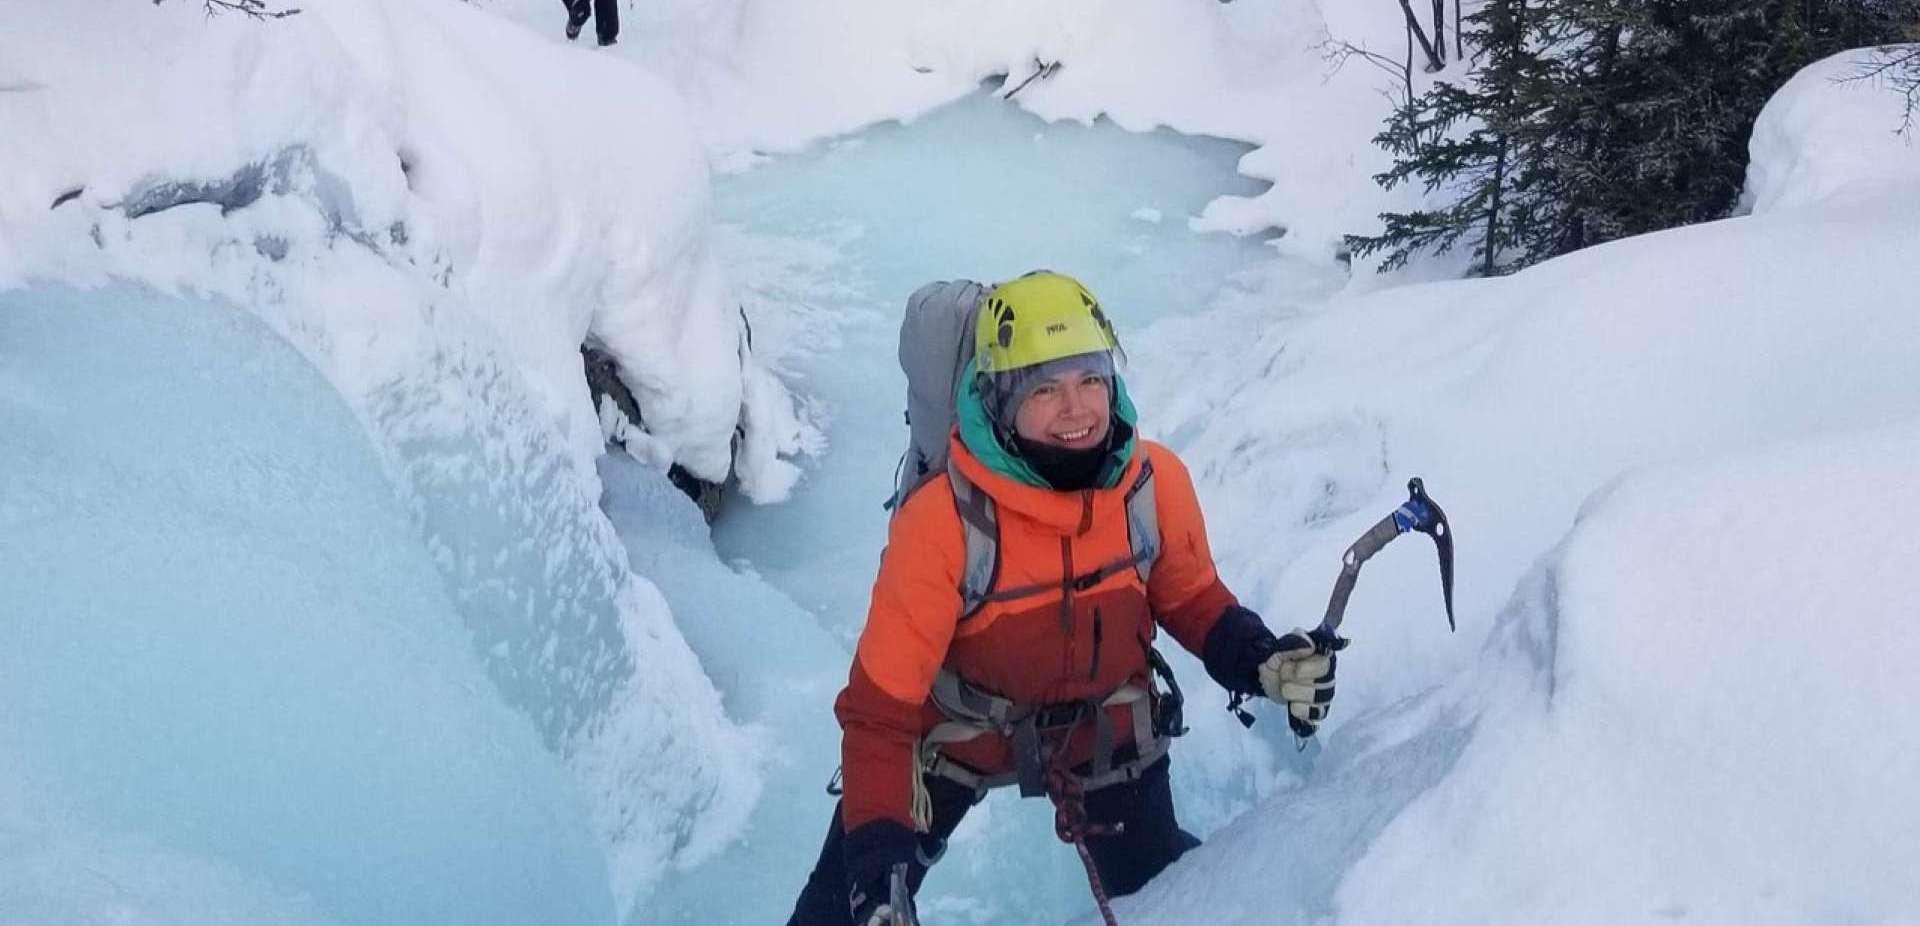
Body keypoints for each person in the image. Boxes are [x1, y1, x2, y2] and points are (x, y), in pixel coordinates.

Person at [786, 271, 1341, 925]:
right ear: (998, 402)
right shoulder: (944, 521)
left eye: (1090, 381)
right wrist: (876, 871)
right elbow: (880, 715)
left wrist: (1259, 660)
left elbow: (1190, 597)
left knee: (1174, 901)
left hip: (1099, 733)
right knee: (837, 915)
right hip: (954, 740)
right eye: (1044, 389)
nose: (1077, 410)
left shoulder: (1153, 485)